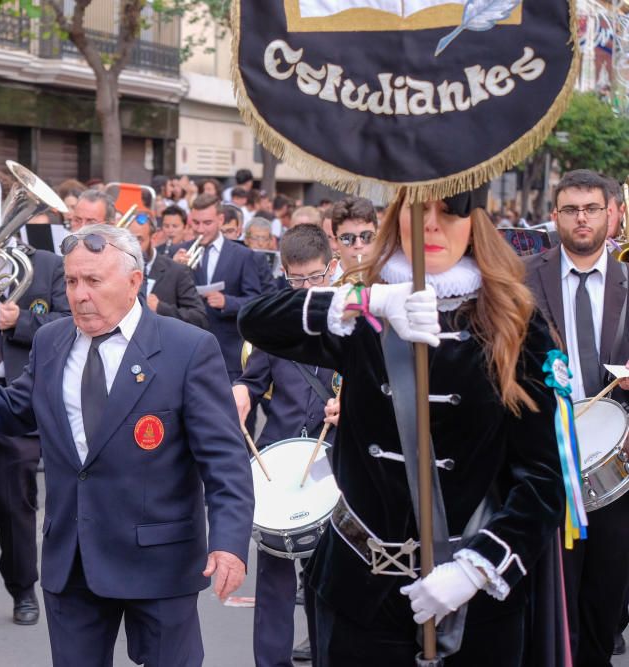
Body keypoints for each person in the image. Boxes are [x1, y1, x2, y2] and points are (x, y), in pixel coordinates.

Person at [0, 223, 255, 667]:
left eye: (94, 280)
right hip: (73, 560)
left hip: (159, 563)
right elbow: (11, 407)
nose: (79, 294)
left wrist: (229, 543)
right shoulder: (52, 340)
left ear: (135, 281)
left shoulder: (188, 348)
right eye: (73, 281)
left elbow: (225, 460)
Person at [237, 187, 565, 665]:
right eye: (419, 211)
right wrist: (365, 300)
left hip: (472, 603)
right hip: (358, 593)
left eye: (450, 212)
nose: (432, 224)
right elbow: (257, 322)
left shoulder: (516, 320)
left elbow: (543, 477)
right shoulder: (368, 306)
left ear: (476, 222)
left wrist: (478, 568)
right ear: (397, 218)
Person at [524, 169, 629, 666]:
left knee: (605, 604)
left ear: (613, 213)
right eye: (570, 209)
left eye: (591, 208)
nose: (581, 218)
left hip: (620, 465)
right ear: (555, 216)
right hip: (549, 462)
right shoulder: (524, 276)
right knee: (551, 606)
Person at [0, 185, 72, 631]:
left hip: (16, 403)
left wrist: (19, 321)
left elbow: (68, 323)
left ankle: (23, 588)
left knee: (17, 504)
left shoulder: (46, 266)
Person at [233, 224, 337, 666]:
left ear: (332, 269)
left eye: (314, 278)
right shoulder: (272, 323)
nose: (306, 288)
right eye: (296, 281)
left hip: (335, 464)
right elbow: (253, 381)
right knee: (274, 581)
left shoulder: (354, 320)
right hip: (279, 460)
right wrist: (239, 392)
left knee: (329, 580)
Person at [173, 193, 263, 380]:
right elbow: (163, 300)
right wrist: (173, 269)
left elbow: (255, 302)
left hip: (228, 354)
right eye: (196, 223)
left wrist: (226, 302)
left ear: (220, 220)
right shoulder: (178, 252)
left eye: (207, 223)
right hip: (186, 350)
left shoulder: (243, 256)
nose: (200, 229)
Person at [128, 213, 208, 329]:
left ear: (154, 238)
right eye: (129, 240)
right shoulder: (120, 268)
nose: (133, 247)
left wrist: (161, 308)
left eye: (139, 240)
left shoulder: (176, 271)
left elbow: (199, 318)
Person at [329, 196, 379, 284]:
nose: (358, 245)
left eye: (367, 236)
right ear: (336, 241)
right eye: (347, 238)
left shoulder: (391, 278)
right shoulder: (325, 282)